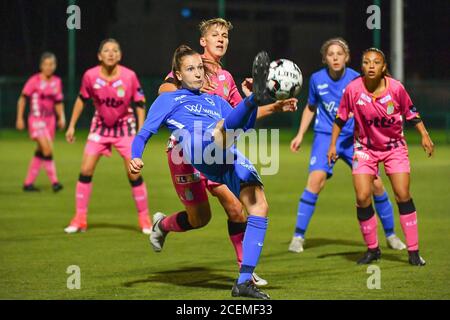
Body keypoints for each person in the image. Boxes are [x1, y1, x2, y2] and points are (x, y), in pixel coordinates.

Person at [130, 46, 293, 299]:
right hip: (197, 147)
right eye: (190, 69)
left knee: (258, 205)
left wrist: (249, 103)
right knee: (219, 131)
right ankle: (255, 98)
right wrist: (135, 156)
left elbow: (244, 129)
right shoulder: (169, 100)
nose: (197, 74)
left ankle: (243, 282)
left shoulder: (215, 101)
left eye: (200, 69)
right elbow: (143, 133)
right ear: (178, 74)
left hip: (226, 152)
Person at [288, 38, 405, 253]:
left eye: (339, 54)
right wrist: (300, 134)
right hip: (325, 136)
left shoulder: (356, 79)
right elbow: (310, 107)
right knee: (315, 181)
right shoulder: (316, 79)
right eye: (330, 54)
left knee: (376, 184)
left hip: (355, 138)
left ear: (347, 58)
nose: (335, 57)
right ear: (325, 59)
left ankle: (391, 234)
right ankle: (298, 236)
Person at [327, 47, 434, 265]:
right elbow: (340, 118)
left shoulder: (396, 88)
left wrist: (424, 135)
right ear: (361, 66)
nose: (371, 66)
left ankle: (413, 252)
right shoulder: (353, 89)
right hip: (364, 149)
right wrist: (332, 146)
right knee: (363, 196)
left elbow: (411, 113)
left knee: (402, 194)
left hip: (394, 147)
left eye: (376, 62)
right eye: (367, 62)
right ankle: (373, 249)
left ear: (384, 67)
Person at [64, 39, 152, 234]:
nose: (111, 53)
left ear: (119, 56)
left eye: (114, 51)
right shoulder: (90, 76)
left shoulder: (130, 76)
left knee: (134, 173)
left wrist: (141, 131)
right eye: (106, 50)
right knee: (85, 170)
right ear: (99, 56)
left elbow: (139, 103)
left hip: (125, 129)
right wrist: (71, 126)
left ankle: (145, 219)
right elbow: (81, 99)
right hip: (100, 128)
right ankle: (79, 219)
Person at [16, 52, 65, 192]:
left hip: (50, 121)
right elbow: (22, 98)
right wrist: (19, 118)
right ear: (41, 66)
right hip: (36, 119)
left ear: (55, 66)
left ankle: (28, 184)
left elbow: (58, 102)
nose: (49, 67)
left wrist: (62, 117)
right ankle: (55, 182)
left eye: (52, 64)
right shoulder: (34, 81)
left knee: (40, 151)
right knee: (47, 149)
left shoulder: (57, 82)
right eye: (46, 64)